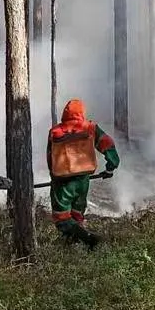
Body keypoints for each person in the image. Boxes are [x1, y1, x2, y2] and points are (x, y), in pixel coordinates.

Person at [46, 99, 120, 249]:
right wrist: (111, 167)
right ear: (82, 113)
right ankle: (74, 243)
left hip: (63, 182)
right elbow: (108, 144)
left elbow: (50, 158)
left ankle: (88, 239)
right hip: (83, 180)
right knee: (77, 212)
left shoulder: (55, 132)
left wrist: (53, 178)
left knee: (61, 217)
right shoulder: (90, 127)